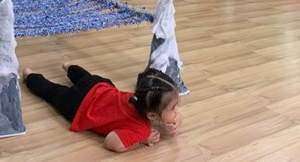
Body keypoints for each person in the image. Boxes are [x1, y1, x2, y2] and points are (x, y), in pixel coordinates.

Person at [23, 64, 182, 152]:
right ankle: (29, 76)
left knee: (84, 77)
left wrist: (176, 119)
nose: (177, 111)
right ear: (152, 116)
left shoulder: (140, 97)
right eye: (174, 108)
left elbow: (164, 110)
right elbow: (111, 143)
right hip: (79, 106)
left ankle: (68, 66)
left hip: (99, 86)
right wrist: (142, 139)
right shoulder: (141, 130)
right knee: (53, 92)